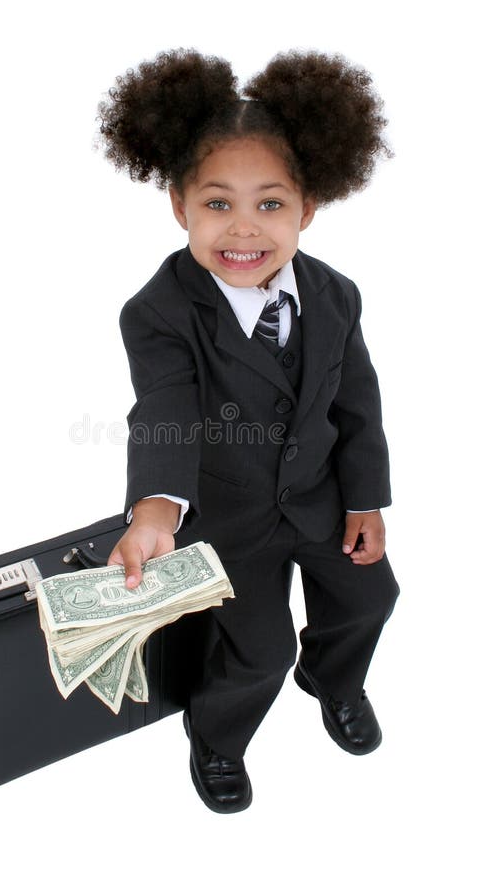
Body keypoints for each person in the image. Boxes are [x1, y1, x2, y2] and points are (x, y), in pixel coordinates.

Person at [97, 47, 401, 814]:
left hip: (324, 499)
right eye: (216, 204)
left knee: (369, 601)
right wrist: (157, 511)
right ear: (179, 206)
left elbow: (357, 403)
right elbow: (164, 410)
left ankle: (332, 679)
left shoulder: (336, 295)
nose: (243, 229)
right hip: (231, 518)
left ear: (309, 208)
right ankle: (218, 737)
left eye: (270, 204)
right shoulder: (160, 312)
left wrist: (365, 500)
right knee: (256, 654)